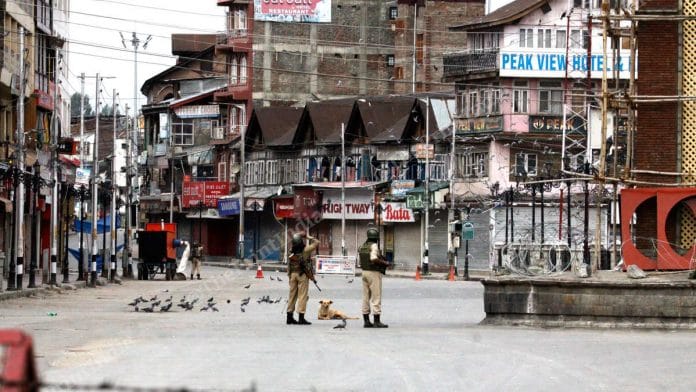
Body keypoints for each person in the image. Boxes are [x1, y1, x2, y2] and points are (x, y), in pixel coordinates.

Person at [359, 228, 389, 328]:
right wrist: (385, 263)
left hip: (364, 272)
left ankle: (366, 321)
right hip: (373, 273)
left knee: (366, 297)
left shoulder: (363, 246)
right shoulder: (374, 245)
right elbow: (373, 258)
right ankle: (377, 321)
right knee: (376, 296)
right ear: (376, 238)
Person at [286, 232, 319, 325]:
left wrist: (289, 276)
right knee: (302, 296)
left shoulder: (290, 251)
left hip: (292, 275)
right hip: (302, 276)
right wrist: (308, 237)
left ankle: (289, 317)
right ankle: (301, 318)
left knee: (292, 296)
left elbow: (289, 265)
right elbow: (317, 242)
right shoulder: (306, 250)